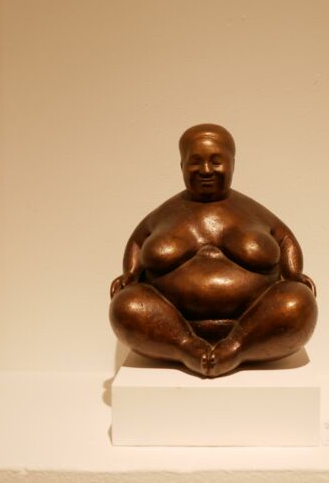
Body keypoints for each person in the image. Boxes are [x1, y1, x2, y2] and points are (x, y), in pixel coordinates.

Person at [110, 124, 317, 377]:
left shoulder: (253, 212)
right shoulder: (164, 214)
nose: (206, 170)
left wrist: (294, 273)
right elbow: (137, 242)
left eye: (216, 162)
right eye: (195, 162)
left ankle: (235, 349)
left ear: (232, 164)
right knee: (126, 305)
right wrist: (130, 274)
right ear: (182, 165)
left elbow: (284, 239)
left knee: (299, 302)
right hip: (169, 323)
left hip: (256, 323)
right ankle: (187, 348)